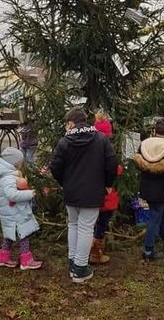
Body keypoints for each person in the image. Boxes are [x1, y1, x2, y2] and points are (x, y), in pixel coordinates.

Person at [50, 107, 117, 284]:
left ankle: (73, 261)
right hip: (93, 191)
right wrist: (108, 183)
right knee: (86, 228)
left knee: (72, 224)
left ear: (71, 123)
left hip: (71, 191)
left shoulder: (64, 141)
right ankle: (80, 268)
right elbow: (111, 163)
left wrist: (64, 182)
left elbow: (55, 166)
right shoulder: (101, 139)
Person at [134, 117, 164, 262]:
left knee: (158, 212)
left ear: (155, 130)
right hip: (161, 189)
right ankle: (148, 250)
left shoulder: (144, 145)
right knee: (155, 217)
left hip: (146, 186)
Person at [0, 147, 43, 270]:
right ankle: (26, 260)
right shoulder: (9, 178)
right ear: (13, 163)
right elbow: (12, 195)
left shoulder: (7, 176)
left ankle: (3, 258)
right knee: (24, 235)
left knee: (9, 236)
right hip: (15, 213)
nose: (20, 164)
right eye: (19, 162)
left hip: (11, 213)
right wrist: (30, 193)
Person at [89, 116, 122, 264]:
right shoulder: (106, 149)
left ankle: (88, 250)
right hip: (105, 197)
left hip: (89, 194)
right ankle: (96, 253)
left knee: (89, 224)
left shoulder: (89, 148)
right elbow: (114, 169)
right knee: (100, 225)